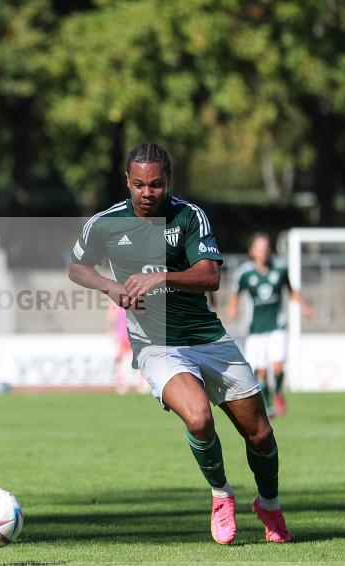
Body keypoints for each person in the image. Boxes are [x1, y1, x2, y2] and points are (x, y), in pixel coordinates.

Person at [68, 143, 291, 544]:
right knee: (199, 418)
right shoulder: (106, 223)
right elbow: (77, 266)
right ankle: (222, 495)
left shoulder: (189, 216)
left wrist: (161, 277)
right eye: (139, 185)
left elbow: (210, 277)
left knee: (259, 434)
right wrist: (110, 287)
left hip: (208, 338)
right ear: (127, 181)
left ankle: (269, 504)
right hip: (156, 345)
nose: (147, 193)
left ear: (168, 181)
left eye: (156, 184)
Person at [227, 233, 315, 417]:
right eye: (259, 248)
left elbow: (291, 291)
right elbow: (235, 291)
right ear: (252, 251)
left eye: (266, 248)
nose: (263, 252)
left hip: (277, 327)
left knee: (277, 367)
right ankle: (267, 405)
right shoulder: (245, 273)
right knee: (260, 371)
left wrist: (304, 308)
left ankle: (279, 392)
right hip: (255, 329)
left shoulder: (280, 269)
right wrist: (233, 307)